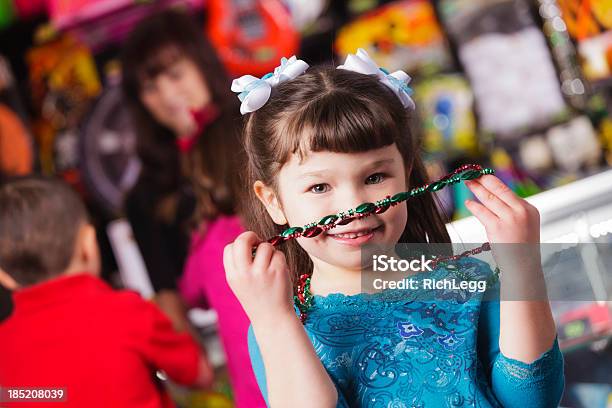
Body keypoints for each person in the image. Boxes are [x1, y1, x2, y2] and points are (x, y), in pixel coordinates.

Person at [223, 50, 565, 407]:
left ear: (408, 174)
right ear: (273, 200)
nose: (354, 207)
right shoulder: (280, 324)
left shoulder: (469, 281)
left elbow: (532, 400)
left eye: (374, 177)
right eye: (319, 187)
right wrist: (274, 320)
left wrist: (521, 267)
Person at [121, 9, 265, 407]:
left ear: (201, 63)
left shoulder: (262, 129)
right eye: (150, 87)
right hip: (241, 355)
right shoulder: (145, 196)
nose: (167, 96)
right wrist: (197, 376)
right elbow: (170, 300)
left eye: (175, 74)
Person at [0, 176, 213, 407]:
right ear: (89, 245)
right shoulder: (127, 312)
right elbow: (200, 374)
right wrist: (175, 317)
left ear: (4, 276)